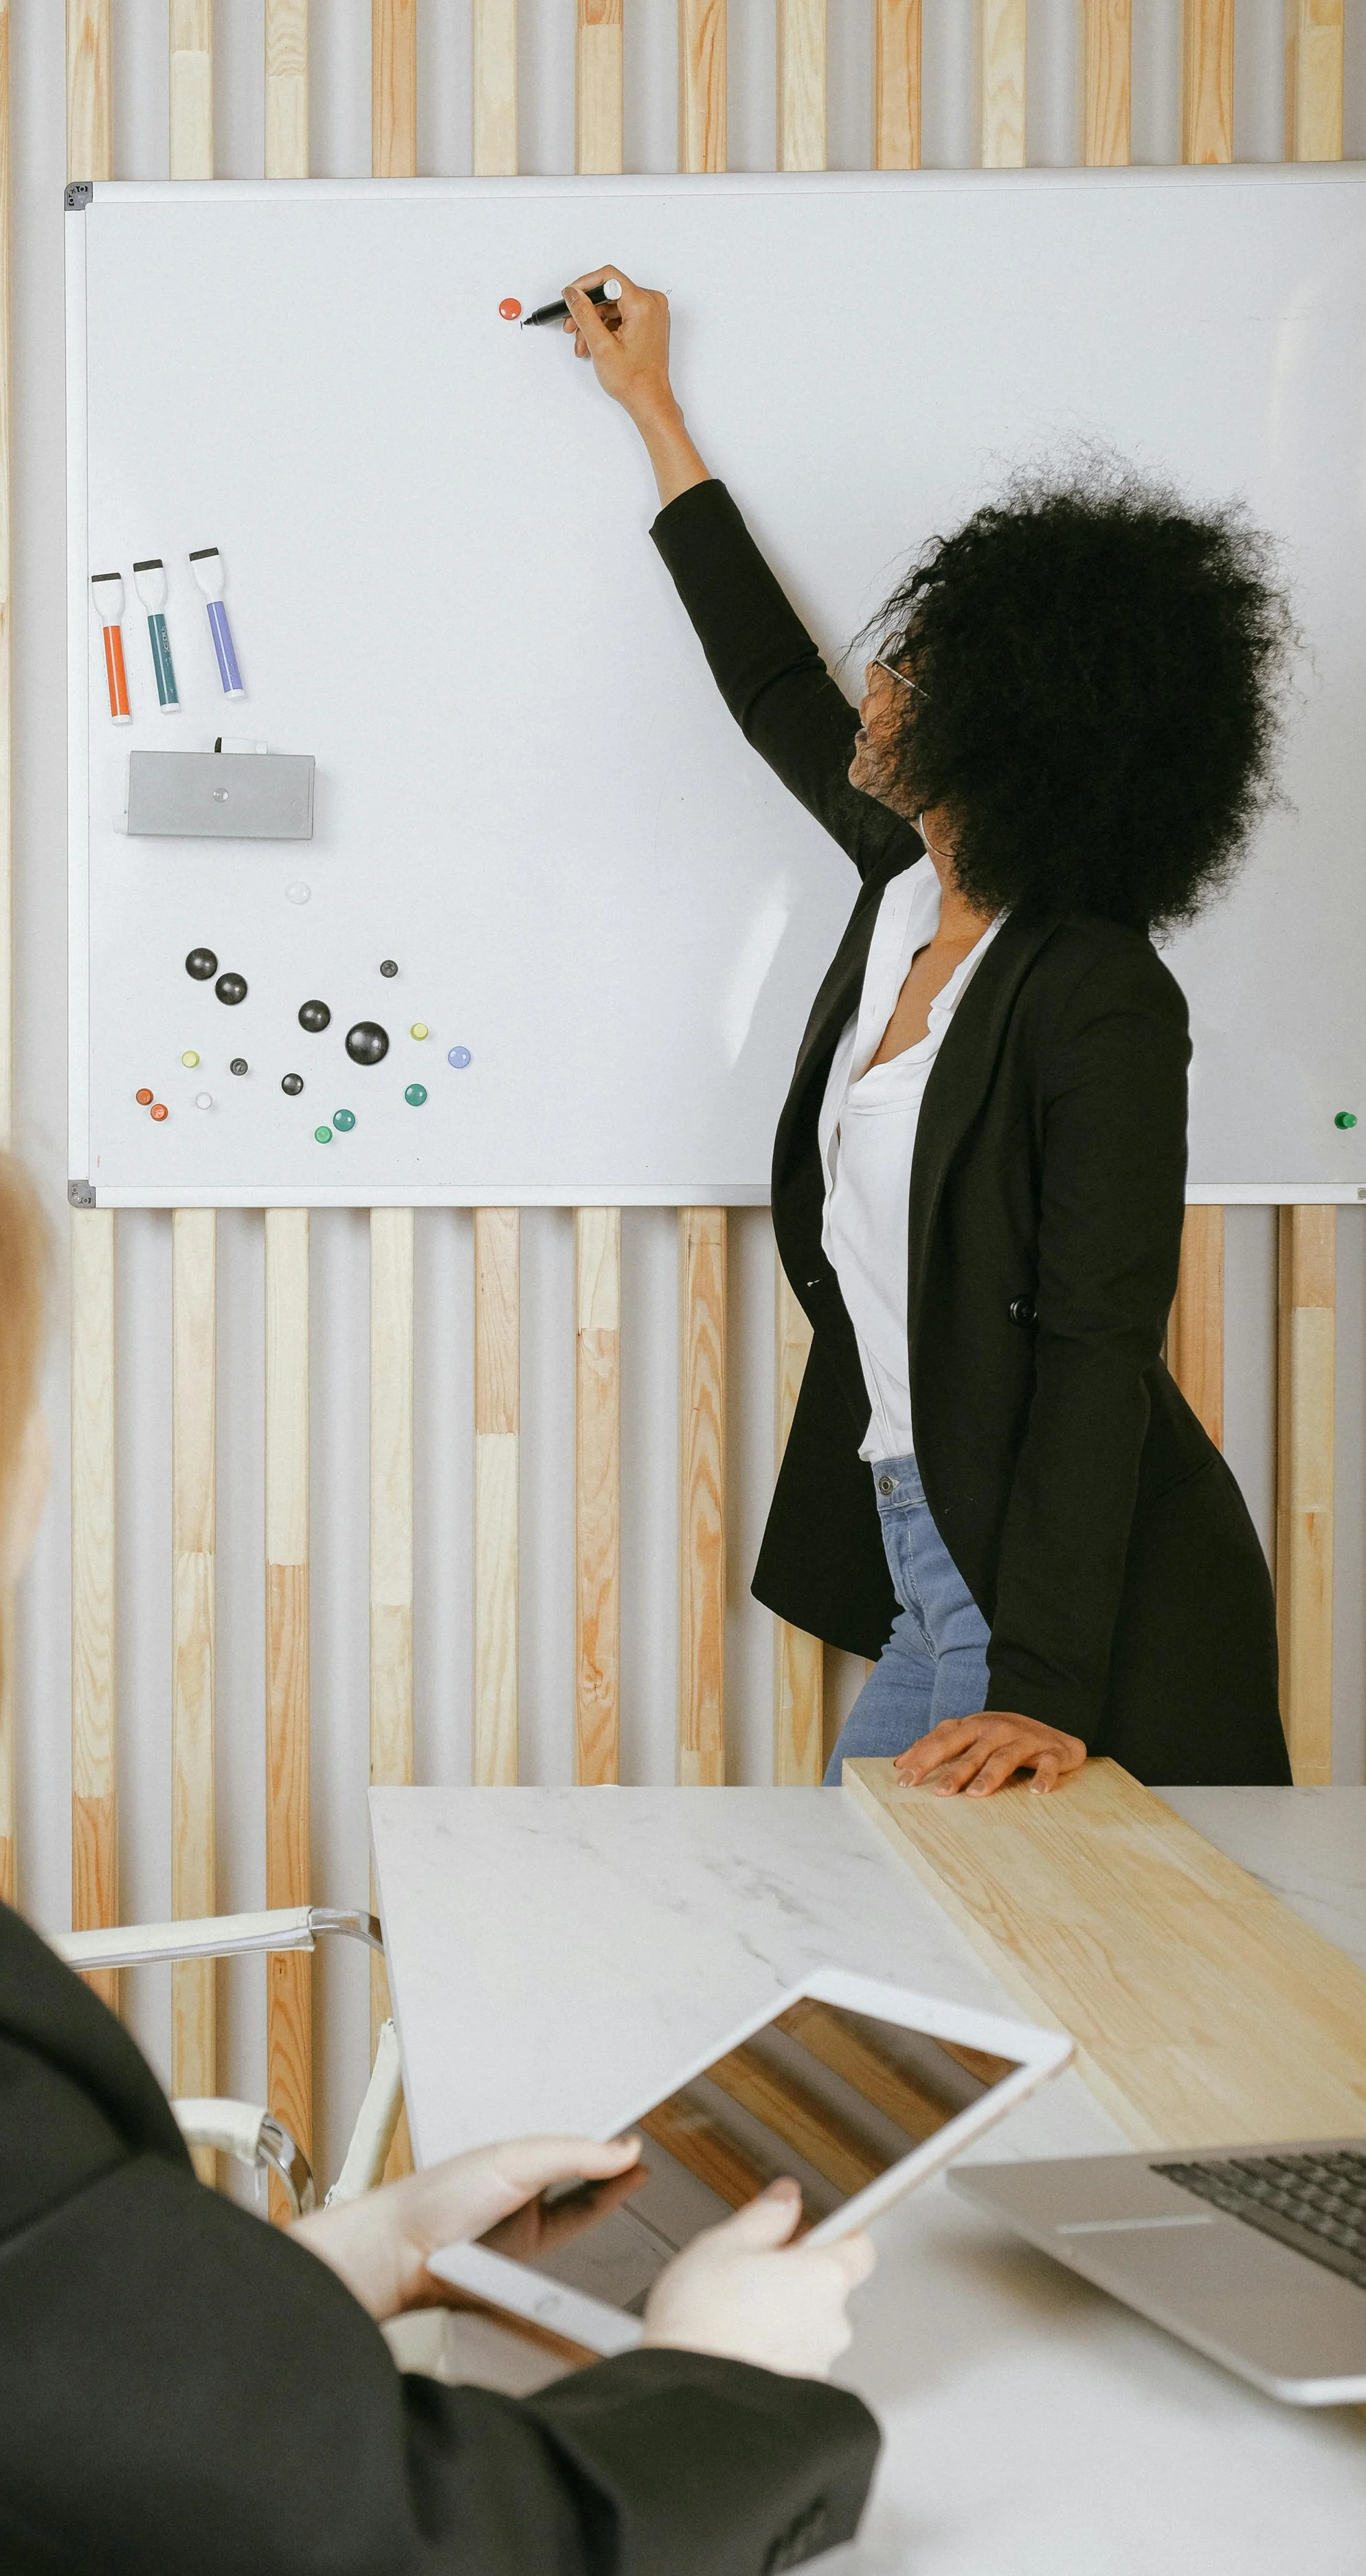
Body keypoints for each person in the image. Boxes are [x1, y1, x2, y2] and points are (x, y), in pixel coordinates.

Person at [0, 1064, 880, 2573]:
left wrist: (363, 2257)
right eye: (15, 1407)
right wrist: (719, 2375)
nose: (36, 1466)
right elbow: (399, 2551)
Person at [557, 269, 1295, 1796]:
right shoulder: (902, 887)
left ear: (1006, 730)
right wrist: (652, 412)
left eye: (910, 673)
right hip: (922, 1548)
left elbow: (1097, 1347)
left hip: (1044, 1599)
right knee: (905, 1952)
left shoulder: (1092, 993)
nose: (874, 685)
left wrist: (1034, 1687)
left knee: (934, 1962)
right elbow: (765, 676)